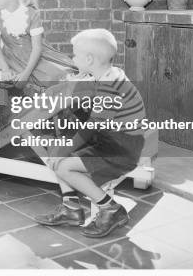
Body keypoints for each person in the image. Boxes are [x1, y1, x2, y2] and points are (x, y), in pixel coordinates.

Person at [32, 29, 147, 238]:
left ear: (89, 59)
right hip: (112, 140)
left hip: (121, 149)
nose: (72, 58)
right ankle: (71, 209)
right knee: (58, 145)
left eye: (74, 54)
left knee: (63, 164)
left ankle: (111, 209)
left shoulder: (110, 85)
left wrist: (64, 149)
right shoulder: (107, 75)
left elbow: (90, 128)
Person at [0, 0, 76, 93]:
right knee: (16, 82)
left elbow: (37, 48)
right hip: (12, 57)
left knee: (57, 76)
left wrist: (26, 73)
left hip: (36, 55)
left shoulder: (31, 13)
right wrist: (5, 69)